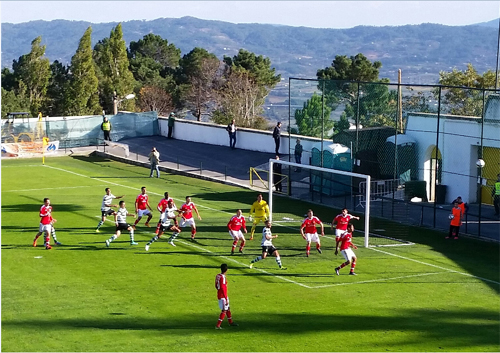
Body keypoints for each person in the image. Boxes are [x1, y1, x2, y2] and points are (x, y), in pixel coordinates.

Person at [215, 263, 238, 329]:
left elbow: (216, 285)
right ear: (226, 270)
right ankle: (218, 325)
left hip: (220, 294)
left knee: (228, 308)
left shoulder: (218, 275)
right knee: (224, 310)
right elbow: (222, 287)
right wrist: (225, 298)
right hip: (223, 296)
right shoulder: (223, 277)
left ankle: (230, 322)